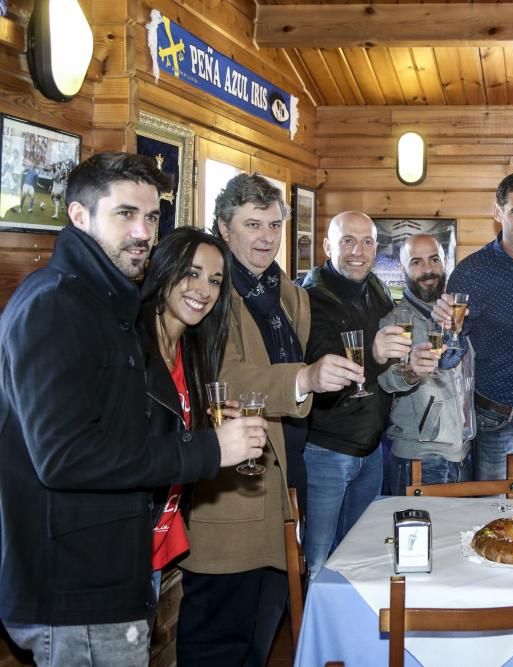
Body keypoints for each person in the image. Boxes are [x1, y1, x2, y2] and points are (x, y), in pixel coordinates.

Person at [0, 153, 264, 666]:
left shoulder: (103, 303)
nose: (142, 231)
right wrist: (207, 448)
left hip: (108, 575)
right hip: (76, 591)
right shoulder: (58, 304)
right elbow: (66, 457)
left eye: (152, 216)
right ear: (79, 216)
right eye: (125, 214)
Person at [177, 174, 361, 666]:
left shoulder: (288, 293)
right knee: (217, 639)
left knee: (262, 635)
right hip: (231, 491)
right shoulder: (208, 293)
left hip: (284, 480)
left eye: (274, 225)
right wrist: (304, 379)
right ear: (224, 228)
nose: (265, 237)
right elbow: (226, 381)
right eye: (252, 224)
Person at [301, 211, 436, 579]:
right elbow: (322, 367)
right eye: (347, 241)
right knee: (319, 561)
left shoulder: (375, 287)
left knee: (359, 556)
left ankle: (352, 635)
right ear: (328, 246)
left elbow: (393, 354)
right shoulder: (310, 298)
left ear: (377, 248)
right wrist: (375, 355)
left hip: (372, 448)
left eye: (366, 242)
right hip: (328, 451)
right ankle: (316, 636)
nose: (357, 251)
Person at [436, 173, 513, 499]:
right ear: (498, 213)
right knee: (494, 520)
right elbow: (448, 357)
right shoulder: (471, 272)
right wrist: (445, 329)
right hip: (496, 421)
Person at [138, 227, 237, 592]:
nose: (204, 291)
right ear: (164, 269)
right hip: (121, 548)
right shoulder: (132, 345)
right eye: (192, 273)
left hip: (159, 537)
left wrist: (215, 430)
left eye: (214, 280)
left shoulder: (192, 350)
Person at [381, 234, 475, 495]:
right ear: (403, 270)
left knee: (459, 535)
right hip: (421, 457)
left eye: (434, 259)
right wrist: (411, 370)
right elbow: (386, 380)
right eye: (416, 262)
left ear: (445, 262)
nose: (427, 270)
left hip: (463, 452)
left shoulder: (459, 314)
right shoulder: (397, 321)